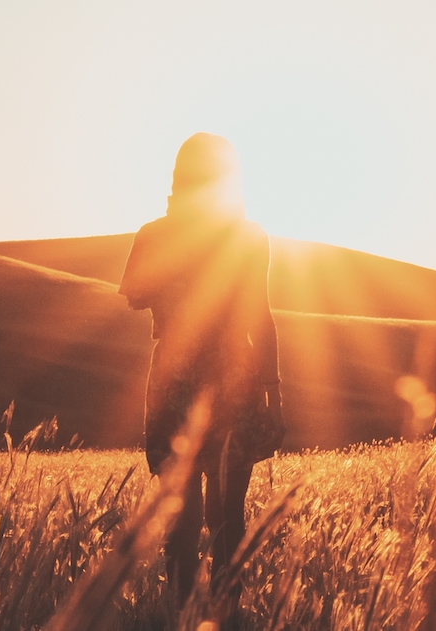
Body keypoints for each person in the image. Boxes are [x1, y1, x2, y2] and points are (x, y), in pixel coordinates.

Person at [118, 133, 284, 616]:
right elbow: (262, 315)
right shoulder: (248, 235)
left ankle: (184, 612)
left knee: (184, 513)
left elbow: (133, 292)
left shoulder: (155, 233)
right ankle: (224, 614)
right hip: (236, 377)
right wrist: (274, 391)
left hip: (177, 379)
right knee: (225, 514)